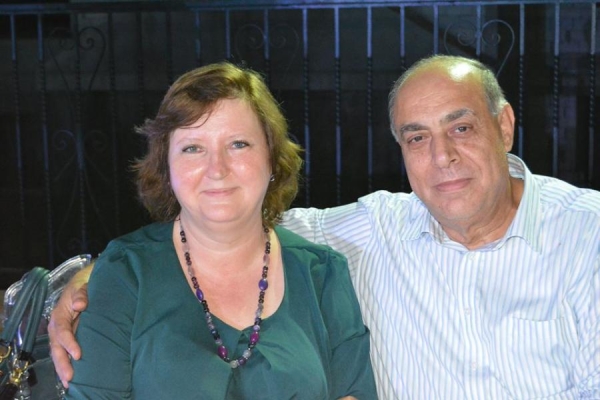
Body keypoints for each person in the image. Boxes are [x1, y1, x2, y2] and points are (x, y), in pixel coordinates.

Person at [50, 55, 600, 398]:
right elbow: (226, 226)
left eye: (461, 128)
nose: (442, 156)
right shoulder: (378, 228)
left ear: (504, 126)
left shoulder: (587, 235)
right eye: (417, 137)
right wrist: (88, 277)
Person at [55, 62, 377, 399]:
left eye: (238, 144)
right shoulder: (124, 273)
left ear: (272, 158)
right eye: (193, 148)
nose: (217, 169)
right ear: (166, 167)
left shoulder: (323, 273)